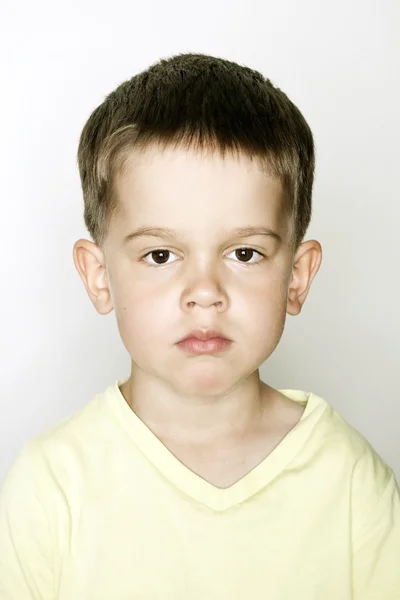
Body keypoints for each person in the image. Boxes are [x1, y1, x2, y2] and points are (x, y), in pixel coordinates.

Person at [0, 52, 399, 600]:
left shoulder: (352, 482)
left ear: (297, 278)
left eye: (244, 252)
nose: (206, 292)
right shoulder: (50, 485)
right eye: (161, 255)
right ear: (99, 277)